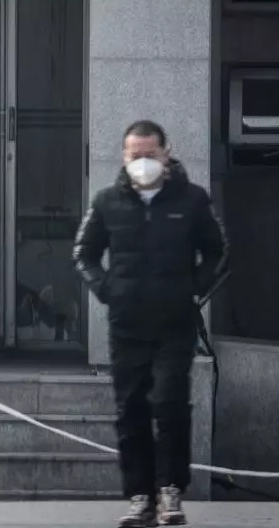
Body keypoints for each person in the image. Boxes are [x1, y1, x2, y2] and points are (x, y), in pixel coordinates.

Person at [72, 120, 228, 527]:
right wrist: (107, 289)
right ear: (124, 156)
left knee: (171, 403)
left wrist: (195, 288)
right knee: (131, 409)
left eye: (149, 154)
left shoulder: (192, 200)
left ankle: (170, 490)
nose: (142, 162)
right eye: (135, 154)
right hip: (127, 325)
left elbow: (218, 251)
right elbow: (84, 254)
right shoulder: (107, 202)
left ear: (165, 153)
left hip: (175, 323)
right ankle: (140, 496)